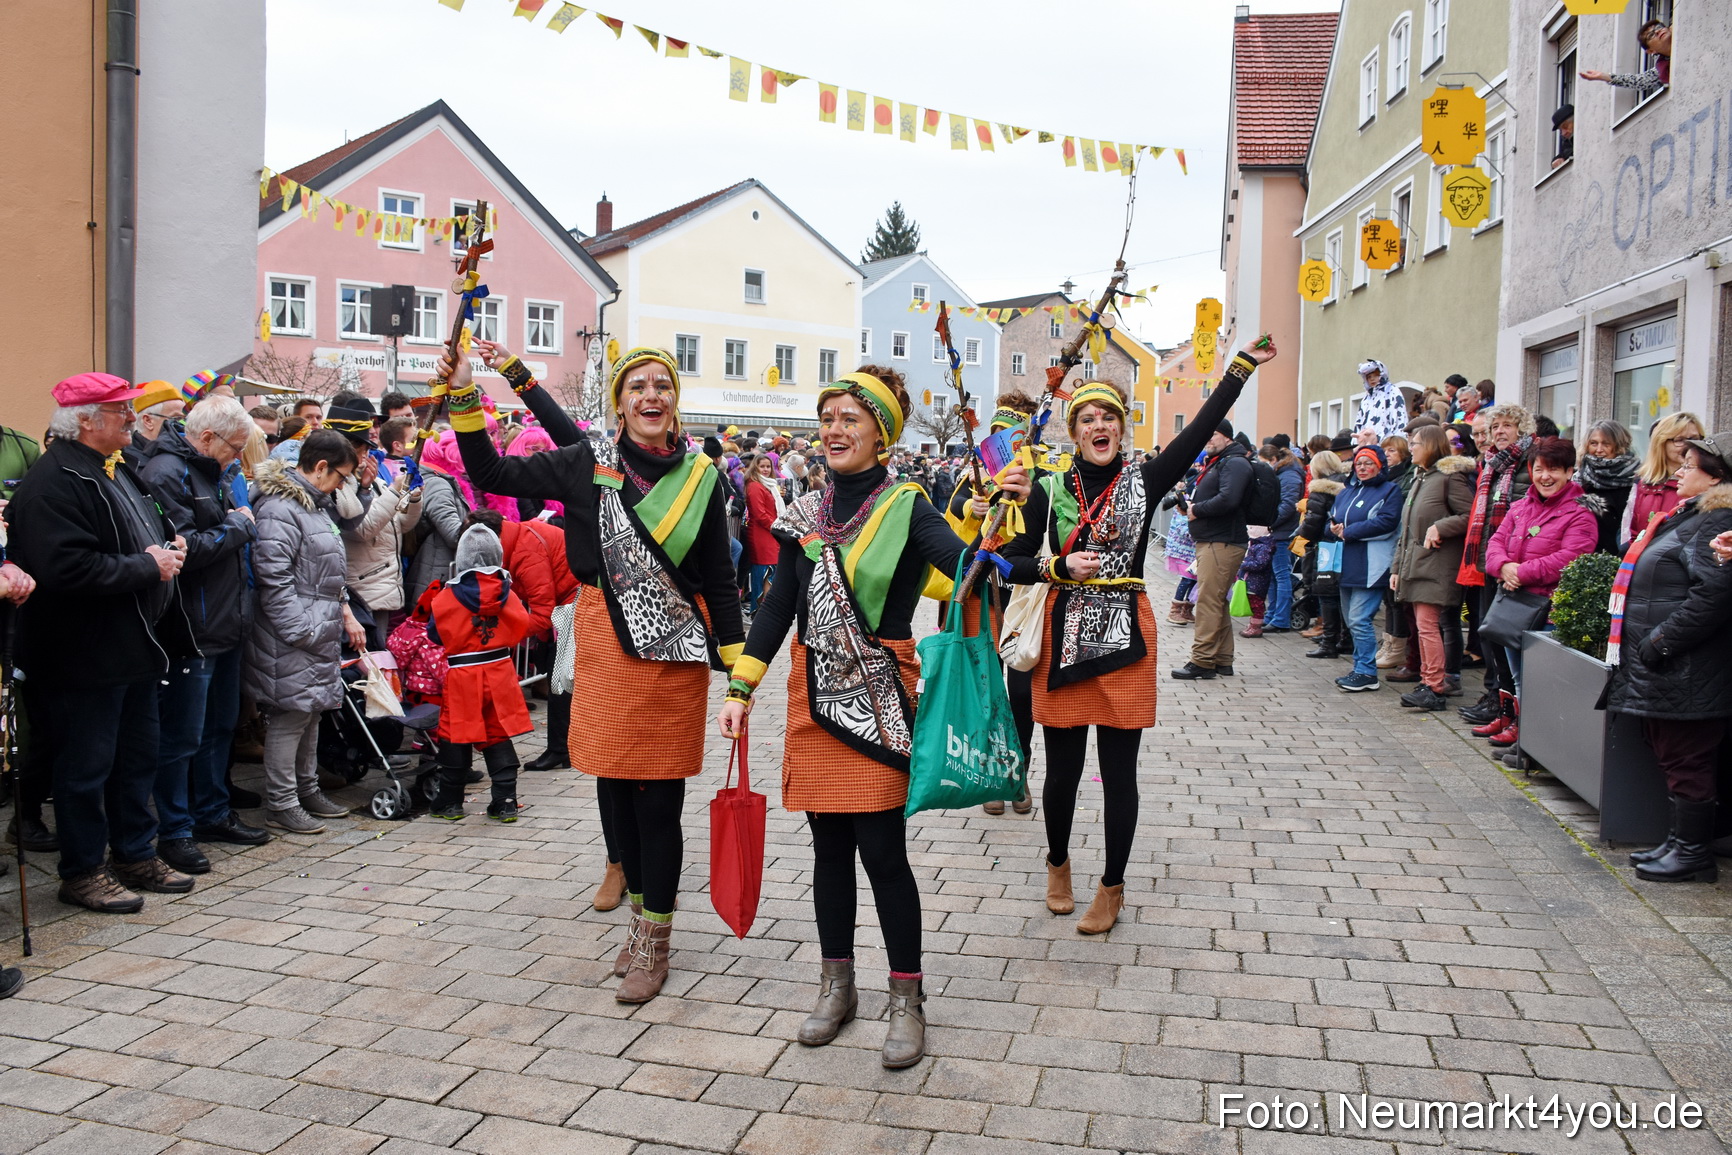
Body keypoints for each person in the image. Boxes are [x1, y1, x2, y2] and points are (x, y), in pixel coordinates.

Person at [717, 362, 1032, 1068]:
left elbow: (966, 571)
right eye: (827, 418)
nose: (833, 429)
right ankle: (837, 985)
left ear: (882, 435)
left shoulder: (908, 505)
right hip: (812, 696)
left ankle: (906, 999)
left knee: (883, 852)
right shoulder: (806, 513)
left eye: (849, 419)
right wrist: (740, 689)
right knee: (828, 851)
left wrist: (995, 525)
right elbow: (776, 607)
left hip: (881, 697)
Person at [448, 345, 745, 1007]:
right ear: (619, 402)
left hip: (673, 651)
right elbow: (491, 467)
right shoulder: (586, 463)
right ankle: (640, 915)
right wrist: (466, 397)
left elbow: (721, 582)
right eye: (637, 385)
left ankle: (655, 938)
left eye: (662, 384)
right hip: (607, 642)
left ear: (674, 399)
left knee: (658, 800)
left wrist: (741, 670)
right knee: (617, 785)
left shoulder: (703, 477)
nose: (650, 394)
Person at [996, 345, 1274, 940]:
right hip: (1062, 635)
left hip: (1126, 635)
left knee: (1120, 773)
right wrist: (1057, 567)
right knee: (1063, 770)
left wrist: (1239, 371)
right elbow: (1010, 562)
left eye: (1110, 418)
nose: (1100, 426)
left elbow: (1199, 430)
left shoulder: (1144, 479)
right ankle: (1058, 863)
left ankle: (1112, 886)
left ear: (1123, 429)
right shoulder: (1046, 490)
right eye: (1088, 419)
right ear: (1073, 432)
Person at [9, 373, 197, 912]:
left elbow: (137, 534)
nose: (132, 419)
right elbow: (64, 568)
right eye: (120, 411)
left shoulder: (116, 467)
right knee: (86, 768)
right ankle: (83, 870)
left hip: (131, 645)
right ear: (86, 420)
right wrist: (148, 563)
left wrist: (165, 546)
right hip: (83, 652)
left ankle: (134, 853)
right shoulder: (55, 480)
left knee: (136, 758)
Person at [138, 395, 271, 872]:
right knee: (181, 736)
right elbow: (184, 549)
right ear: (208, 436)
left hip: (225, 619)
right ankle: (175, 829)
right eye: (235, 447)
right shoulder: (166, 474)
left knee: (218, 727)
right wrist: (238, 527)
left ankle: (211, 811)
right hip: (191, 627)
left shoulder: (218, 471)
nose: (240, 457)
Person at [1606, 431, 1732, 882]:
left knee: (1687, 758)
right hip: (1668, 666)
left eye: (1690, 465)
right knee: (1673, 755)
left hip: (1687, 666)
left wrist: (1661, 641)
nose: (1678, 471)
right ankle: (1680, 842)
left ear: (1716, 479)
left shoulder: (1718, 522)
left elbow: (1713, 597)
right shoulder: (1692, 516)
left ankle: (1693, 853)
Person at [246, 431, 364, 835]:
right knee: (291, 715)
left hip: (316, 627)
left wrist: (338, 614)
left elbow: (328, 571)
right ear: (319, 468)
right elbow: (273, 577)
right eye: (340, 477)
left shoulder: (312, 505)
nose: (342, 486)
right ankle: (282, 801)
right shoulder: (281, 508)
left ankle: (306, 789)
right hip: (295, 631)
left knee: (310, 712)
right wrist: (302, 629)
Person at [1481, 439, 1598, 764]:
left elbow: (1572, 557)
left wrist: (1522, 572)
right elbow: (1495, 544)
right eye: (1539, 469)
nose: (1545, 476)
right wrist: (1503, 567)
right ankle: (1528, 743)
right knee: (1520, 679)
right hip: (1515, 606)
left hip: (1549, 609)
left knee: (1544, 683)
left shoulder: (1581, 512)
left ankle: (1541, 752)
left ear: (1570, 472)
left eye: (1554, 470)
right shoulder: (1519, 507)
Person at [426, 524, 531, 823]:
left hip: (463, 674)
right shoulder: (507, 592)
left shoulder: (445, 597)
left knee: (456, 733)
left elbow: (435, 635)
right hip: (499, 671)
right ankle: (506, 801)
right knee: (497, 733)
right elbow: (522, 625)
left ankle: (450, 801)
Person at [1457, 405, 1534, 728]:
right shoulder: (1491, 463)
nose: (1499, 431)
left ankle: (1507, 705)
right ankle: (1497, 697)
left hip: (1517, 564)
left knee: (1504, 637)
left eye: (1507, 426)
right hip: (1491, 557)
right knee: (1488, 632)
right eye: (1496, 426)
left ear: (1521, 429)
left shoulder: (1527, 463)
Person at [1390, 425, 1475, 710]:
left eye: (1415, 443)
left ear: (1430, 445)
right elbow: (1406, 532)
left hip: (1437, 565)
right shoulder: (1421, 479)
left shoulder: (1450, 478)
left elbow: (1470, 515)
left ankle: (1434, 687)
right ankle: (1428, 682)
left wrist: (1441, 526)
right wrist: (1396, 569)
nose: (1410, 447)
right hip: (1416, 565)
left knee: (1428, 627)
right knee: (1424, 627)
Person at [1172, 419, 1254, 679]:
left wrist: (1196, 510)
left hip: (1223, 541)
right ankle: (1221, 659)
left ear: (1227, 437)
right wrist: (1190, 507)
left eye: (1213, 434)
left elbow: (1229, 499)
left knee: (1207, 602)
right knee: (1215, 601)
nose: (1208, 439)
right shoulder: (1222, 461)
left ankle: (1202, 661)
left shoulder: (1234, 463)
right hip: (1215, 540)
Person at [1326, 446, 1404, 691]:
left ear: (1380, 465)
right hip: (1346, 563)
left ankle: (1367, 672)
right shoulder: (1346, 492)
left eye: (1368, 463)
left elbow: (1387, 522)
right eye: (1359, 463)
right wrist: (1333, 529)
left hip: (1371, 563)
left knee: (1360, 619)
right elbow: (1333, 519)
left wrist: (1348, 532)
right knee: (1351, 620)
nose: (1362, 468)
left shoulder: (1390, 490)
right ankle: (1360, 666)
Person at [406, 431, 476, 607]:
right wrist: (483, 525)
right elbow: (454, 534)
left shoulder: (436, 480)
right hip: (437, 575)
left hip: (436, 570)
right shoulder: (438, 485)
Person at [1619, 412, 1705, 550]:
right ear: (1661, 443)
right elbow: (1630, 533)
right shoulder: (1643, 483)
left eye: (1694, 439)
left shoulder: (1705, 484)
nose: (1688, 445)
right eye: (1679, 440)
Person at [1299, 450, 1349, 657]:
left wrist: (1302, 532)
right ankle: (1346, 639)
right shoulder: (1347, 485)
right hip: (1345, 544)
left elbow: (1312, 523)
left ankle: (1329, 642)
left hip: (1327, 546)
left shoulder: (1320, 490)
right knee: (1342, 594)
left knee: (1327, 593)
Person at [1261, 441, 1304, 633]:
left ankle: (1281, 618)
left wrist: (1270, 521)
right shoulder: (1282, 474)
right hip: (1276, 531)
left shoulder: (1289, 476)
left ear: (1274, 459)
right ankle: (1272, 615)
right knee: (1273, 577)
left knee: (1281, 575)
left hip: (1283, 532)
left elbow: (1288, 505)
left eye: (1264, 462)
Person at [1576, 420, 1637, 553]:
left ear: (1619, 445)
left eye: (1606, 444)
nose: (1598, 450)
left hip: (1618, 554)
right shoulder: (1579, 478)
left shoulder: (1634, 479)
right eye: (1593, 443)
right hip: (1583, 555)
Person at [742, 451, 785, 615]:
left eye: (768, 466)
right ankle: (763, 610)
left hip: (770, 532)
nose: (766, 469)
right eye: (762, 466)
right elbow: (760, 514)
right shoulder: (754, 485)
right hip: (762, 533)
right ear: (756, 468)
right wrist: (777, 527)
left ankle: (767, 609)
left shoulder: (768, 484)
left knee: (771, 570)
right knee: (765, 570)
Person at [1580, 20, 1671, 97]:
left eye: (1659, 27)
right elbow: (1639, 81)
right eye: (1650, 35)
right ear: (1651, 51)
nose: (1657, 32)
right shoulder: (1663, 68)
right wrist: (1606, 77)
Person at [1354, 360, 1406, 442]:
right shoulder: (1366, 399)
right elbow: (1359, 423)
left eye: (1375, 375)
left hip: (1387, 445)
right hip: (1367, 446)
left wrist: (1395, 443)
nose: (1372, 379)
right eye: (1369, 377)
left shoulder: (1392, 392)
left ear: (1382, 374)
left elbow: (1399, 420)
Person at [131, 381, 185, 450]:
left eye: (184, 419)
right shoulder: (127, 458)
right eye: (177, 418)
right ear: (148, 421)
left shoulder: (184, 451)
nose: (183, 425)